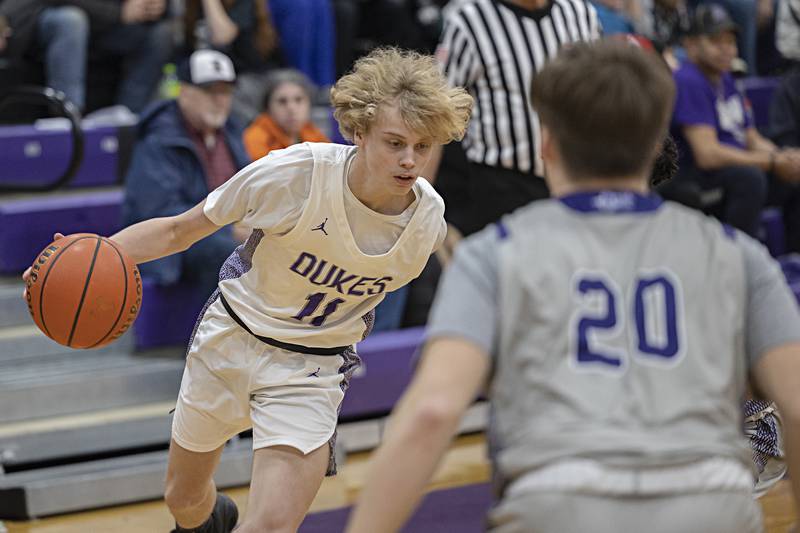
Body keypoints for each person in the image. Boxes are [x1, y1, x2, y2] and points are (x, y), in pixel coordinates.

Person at [345, 41, 800, 533]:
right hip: (710, 500)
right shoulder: (737, 253)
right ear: (656, 142)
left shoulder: (495, 253)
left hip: (559, 500)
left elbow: (433, 411)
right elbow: (794, 402)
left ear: (547, 145)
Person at [24, 47, 472, 533]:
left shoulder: (426, 223)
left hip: (311, 367)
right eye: (395, 142)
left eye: (422, 146)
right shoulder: (293, 175)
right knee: (184, 500)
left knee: (272, 525)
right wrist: (85, 257)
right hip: (233, 336)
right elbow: (179, 230)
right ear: (358, 132)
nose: (410, 160)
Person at [433, 0, 601, 236]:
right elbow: (435, 116)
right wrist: (423, 212)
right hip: (500, 188)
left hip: (574, 182)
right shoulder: (469, 20)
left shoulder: (580, 14)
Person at [122, 49, 251, 298]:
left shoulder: (232, 129)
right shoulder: (159, 138)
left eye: (225, 91)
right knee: (226, 250)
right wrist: (228, 229)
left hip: (220, 232)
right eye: (209, 91)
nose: (219, 100)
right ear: (183, 92)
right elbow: (159, 211)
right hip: (173, 249)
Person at [665, 3, 800, 237]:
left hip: (730, 168)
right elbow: (707, 155)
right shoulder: (687, 80)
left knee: (793, 175)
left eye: (730, 42)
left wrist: (784, 158)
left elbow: (751, 138)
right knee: (749, 178)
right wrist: (771, 161)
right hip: (693, 176)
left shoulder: (725, 78)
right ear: (691, 45)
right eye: (716, 41)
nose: (727, 49)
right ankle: (737, 258)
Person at [33, 0, 173, 112]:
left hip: (112, 28)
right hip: (56, 16)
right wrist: (117, 12)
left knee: (162, 35)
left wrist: (155, 6)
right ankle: (68, 118)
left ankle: (127, 122)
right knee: (72, 21)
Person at [242, 69, 328, 161]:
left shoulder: (312, 133)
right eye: (282, 101)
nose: (291, 108)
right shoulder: (256, 138)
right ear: (267, 107)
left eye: (298, 100)